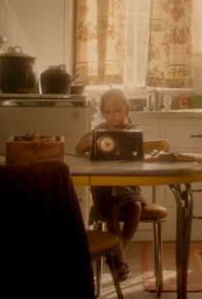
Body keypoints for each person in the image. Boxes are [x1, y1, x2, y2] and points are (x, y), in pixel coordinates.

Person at [76, 88, 145, 281]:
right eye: (107, 112)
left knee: (136, 206)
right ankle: (120, 257)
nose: (112, 116)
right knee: (110, 211)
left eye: (117, 111)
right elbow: (78, 149)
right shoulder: (98, 130)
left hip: (127, 185)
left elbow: (139, 155)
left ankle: (120, 249)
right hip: (103, 188)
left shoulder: (133, 130)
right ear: (102, 113)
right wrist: (89, 141)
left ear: (127, 110)